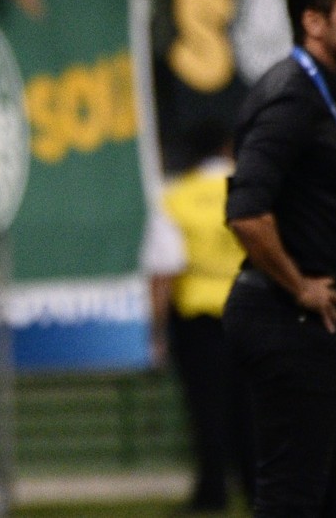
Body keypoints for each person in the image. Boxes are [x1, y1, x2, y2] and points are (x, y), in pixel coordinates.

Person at [223, 0, 336, 517]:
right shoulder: (293, 96)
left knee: (334, 495)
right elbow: (246, 212)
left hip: (298, 322)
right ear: (314, 22)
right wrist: (300, 287)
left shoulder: (320, 94)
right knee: (292, 499)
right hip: (285, 317)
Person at [143, 122, 254, 514]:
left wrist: (156, 331)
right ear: (228, 146)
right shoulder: (251, 192)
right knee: (251, 405)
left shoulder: (178, 199)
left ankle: (213, 491)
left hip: (199, 323)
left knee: (207, 409)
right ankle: (258, 489)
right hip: (251, 313)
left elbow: (164, 271)